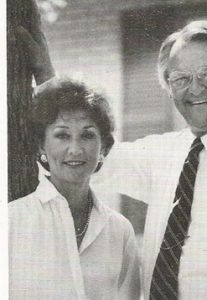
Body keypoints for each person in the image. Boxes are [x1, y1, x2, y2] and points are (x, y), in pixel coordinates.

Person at [21, 20, 207, 299]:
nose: (195, 89)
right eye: (181, 79)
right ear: (169, 87)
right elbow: (90, 157)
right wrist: (46, 79)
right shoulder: (168, 154)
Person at [9, 78, 140, 299]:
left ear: (104, 148)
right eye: (62, 135)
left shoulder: (120, 231)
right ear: (41, 145)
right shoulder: (11, 221)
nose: (75, 149)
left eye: (87, 135)